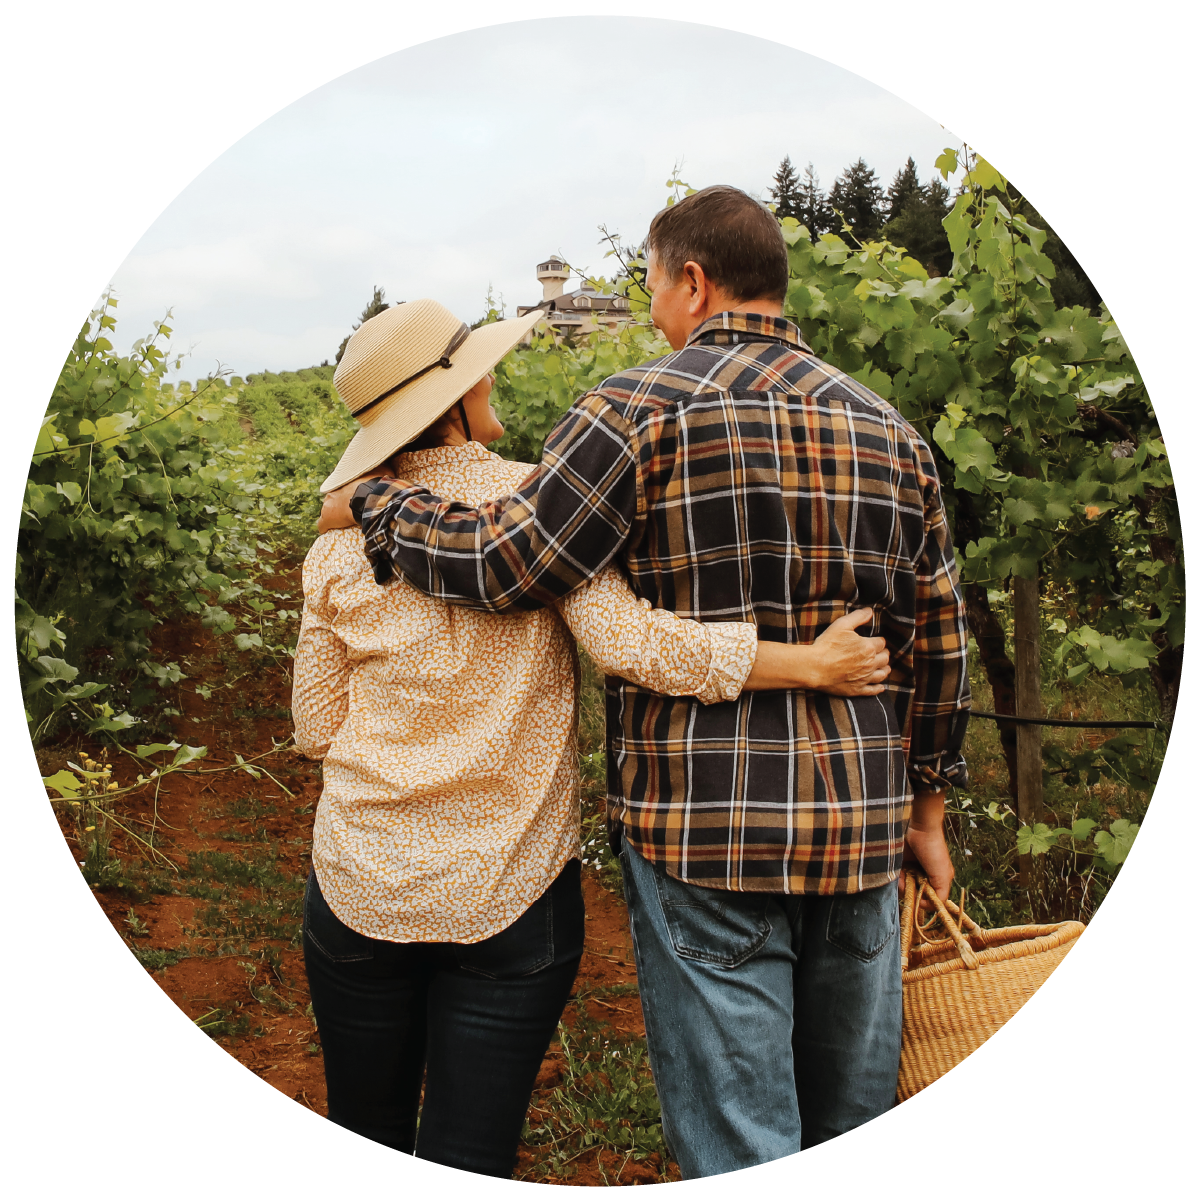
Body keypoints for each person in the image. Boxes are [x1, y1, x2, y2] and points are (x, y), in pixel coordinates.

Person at [319, 188, 972, 1178]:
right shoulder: (893, 433)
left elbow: (508, 566)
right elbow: (937, 642)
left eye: (656, 286)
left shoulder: (629, 411)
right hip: (862, 829)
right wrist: (926, 810)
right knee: (855, 1136)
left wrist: (377, 506)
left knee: (740, 1144)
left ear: (693, 281)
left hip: (701, 830)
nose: (654, 309)